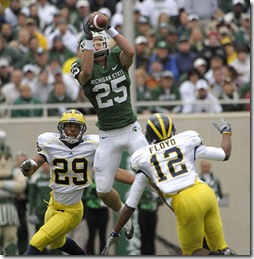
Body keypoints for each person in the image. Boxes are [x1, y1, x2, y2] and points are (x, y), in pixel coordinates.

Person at [101, 113, 236, 256]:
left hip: (185, 201)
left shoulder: (144, 159)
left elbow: (130, 206)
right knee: (221, 247)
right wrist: (226, 131)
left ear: (148, 135)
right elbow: (224, 154)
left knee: (193, 252)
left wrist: (115, 232)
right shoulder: (186, 141)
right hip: (206, 192)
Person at [70, 14, 148, 239]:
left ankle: (175, 197)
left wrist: (110, 28)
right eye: (90, 43)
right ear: (85, 47)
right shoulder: (79, 66)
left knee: (151, 169)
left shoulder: (117, 56)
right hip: (107, 134)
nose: (95, 45)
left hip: (131, 128)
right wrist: (88, 37)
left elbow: (131, 52)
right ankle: (123, 212)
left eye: (97, 41)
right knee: (102, 190)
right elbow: (85, 74)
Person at [20, 109, 135, 255]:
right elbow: (30, 171)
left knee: (36, 242)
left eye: (76, 127)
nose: (72, 130)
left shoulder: (93, 145)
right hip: (53, 204)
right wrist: (27, 167)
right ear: (62, 127)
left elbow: (114, 171)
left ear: (82, 129)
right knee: (57, 243)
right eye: (68, 126)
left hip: (71, 210)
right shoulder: (49, 142)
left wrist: (139, 181)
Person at [83, 183, 109, 255]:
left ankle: (103, 254)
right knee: (91, 235)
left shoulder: (105, 177)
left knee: (103, 236)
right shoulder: (88, 179)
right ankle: (90, 254)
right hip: (91, 210)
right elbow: (84, 195)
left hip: (103, 210)